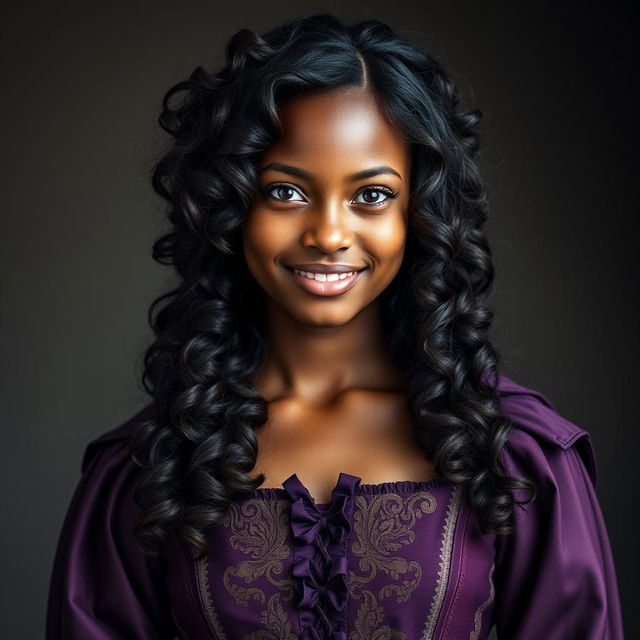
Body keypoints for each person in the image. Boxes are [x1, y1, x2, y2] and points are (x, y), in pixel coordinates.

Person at [45, 13, 624, 639]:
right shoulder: (145, 469)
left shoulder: (519, 458)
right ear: (233, 206)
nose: (328, 234)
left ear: (418, 214)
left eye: (371, 196)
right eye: (286, 193)